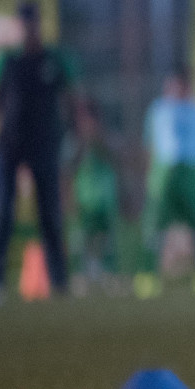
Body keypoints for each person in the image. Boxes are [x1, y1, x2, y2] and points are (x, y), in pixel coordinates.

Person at [0, 0, 86, 300]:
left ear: (39, 23)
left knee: (50, 215)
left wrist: (79, 138)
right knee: (3, 216)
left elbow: (75, 102)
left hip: (45, 145)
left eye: (32, 21)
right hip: (9, 145)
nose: (28, 27)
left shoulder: (56, 59)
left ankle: (60, 283)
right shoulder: (7, 60)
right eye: (24, 21)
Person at [138, 70, 195, 298]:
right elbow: (149, 146)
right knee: (155, 229)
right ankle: (147, 277)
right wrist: (149, 177)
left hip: (191, 173)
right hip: (164, 174)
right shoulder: (158, 110)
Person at [68, 97, 120, 286]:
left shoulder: (105, 138)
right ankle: (82, 274)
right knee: (83, 238)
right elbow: (70, 166)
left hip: (105, 199)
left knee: (106, 240)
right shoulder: (74, 140)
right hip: (84, 199)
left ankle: (108, 273)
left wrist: (98, 139)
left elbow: (116, 158)